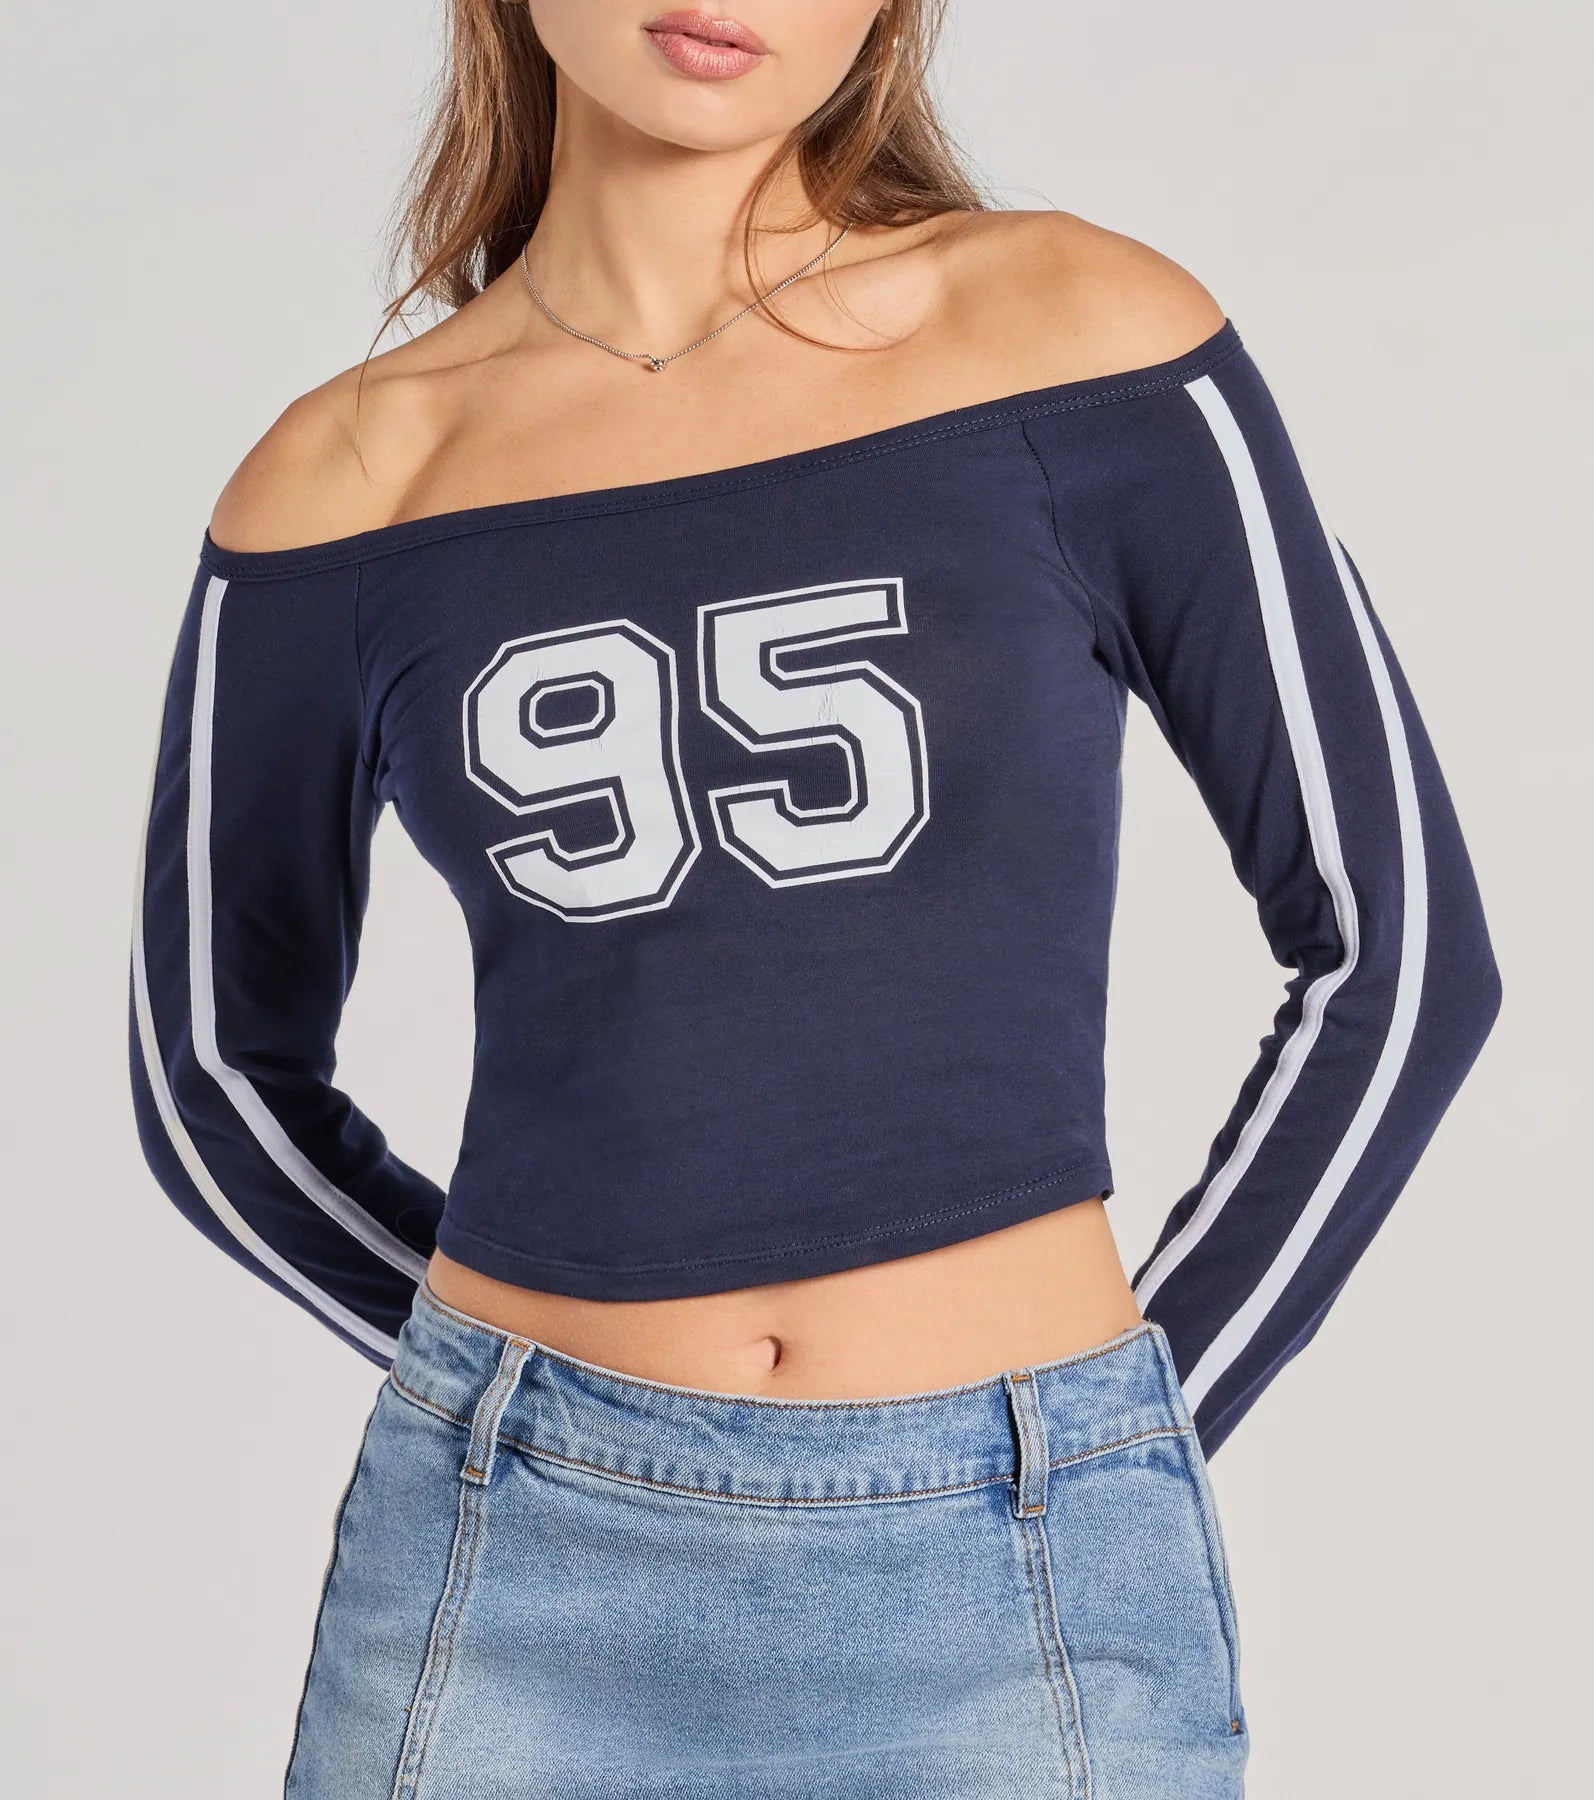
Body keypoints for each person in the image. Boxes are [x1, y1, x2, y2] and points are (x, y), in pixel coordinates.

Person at [126, 4, 1502, 1794]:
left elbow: (1400, 957)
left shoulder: (1070, 338)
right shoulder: (347, 481)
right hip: (509, 1588)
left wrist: (1123, 1428)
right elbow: (216, 1077)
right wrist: (514, 1406)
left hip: (1020, 1553)